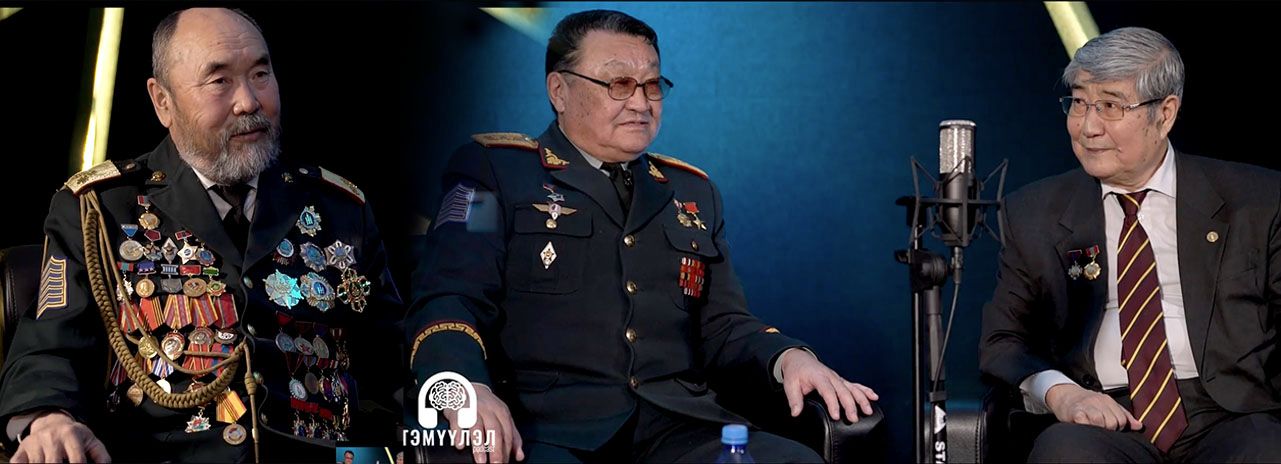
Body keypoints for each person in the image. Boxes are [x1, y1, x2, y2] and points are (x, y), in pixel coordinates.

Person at [407, 9, 877, 464]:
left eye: (652, 86)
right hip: (547, 431)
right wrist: (462, 387)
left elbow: (723, 325)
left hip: (678, 429)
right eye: (618, 84)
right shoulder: (494, 173)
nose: (640, 103)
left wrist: (788, 357)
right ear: (559, 90)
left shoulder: (692, 192)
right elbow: (452, 297)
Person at [0, 8, 403, 463]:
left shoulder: (338, 208)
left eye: (260, 74)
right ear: (163, 102)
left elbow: (394, 363)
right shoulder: (99, 209)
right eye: (219, 81)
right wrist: (48, 419)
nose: (248, 102)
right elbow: (49, 347)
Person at [980, 26, 1281, 462]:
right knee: (1064, 453)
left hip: (1233, 414)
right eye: (1078, 103)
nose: (1088, 127)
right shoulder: (1034, 212)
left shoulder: (1257, 201)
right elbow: (1003, 340)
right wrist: (1061, 393)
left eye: (1110, 106)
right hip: (1103, 416)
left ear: (1165, 114)